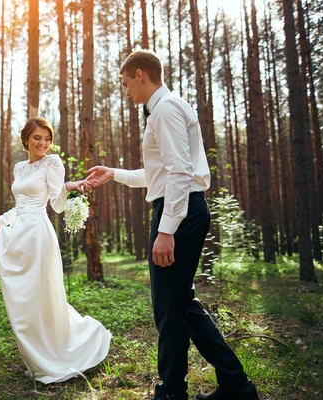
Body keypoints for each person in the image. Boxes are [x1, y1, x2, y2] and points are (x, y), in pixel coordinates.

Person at [84, 50, 259, 400]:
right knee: (180, 303)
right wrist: (113, 174)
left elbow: (180, 173)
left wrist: (166, 231)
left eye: (125, 85)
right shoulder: (165, 109)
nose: (126, 93)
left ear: (139, 74)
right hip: (181, 208)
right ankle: (235, 385)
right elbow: (158, 175)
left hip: (179, 213)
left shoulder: (165, 110)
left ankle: (172, 391)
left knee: (168, 307)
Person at [0, 117, 111, 384]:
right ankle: (35, 358)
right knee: (22, 299)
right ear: (26, 140)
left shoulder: (53, 162)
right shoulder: (19, 167)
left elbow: (55, 202)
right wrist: (0, 220)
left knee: (42, 296)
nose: (43, 143)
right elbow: (20, 205)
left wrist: (71, 187)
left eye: (47, 138)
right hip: (18, 234)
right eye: (37, 138)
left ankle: (57, 355)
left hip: (38, 234)